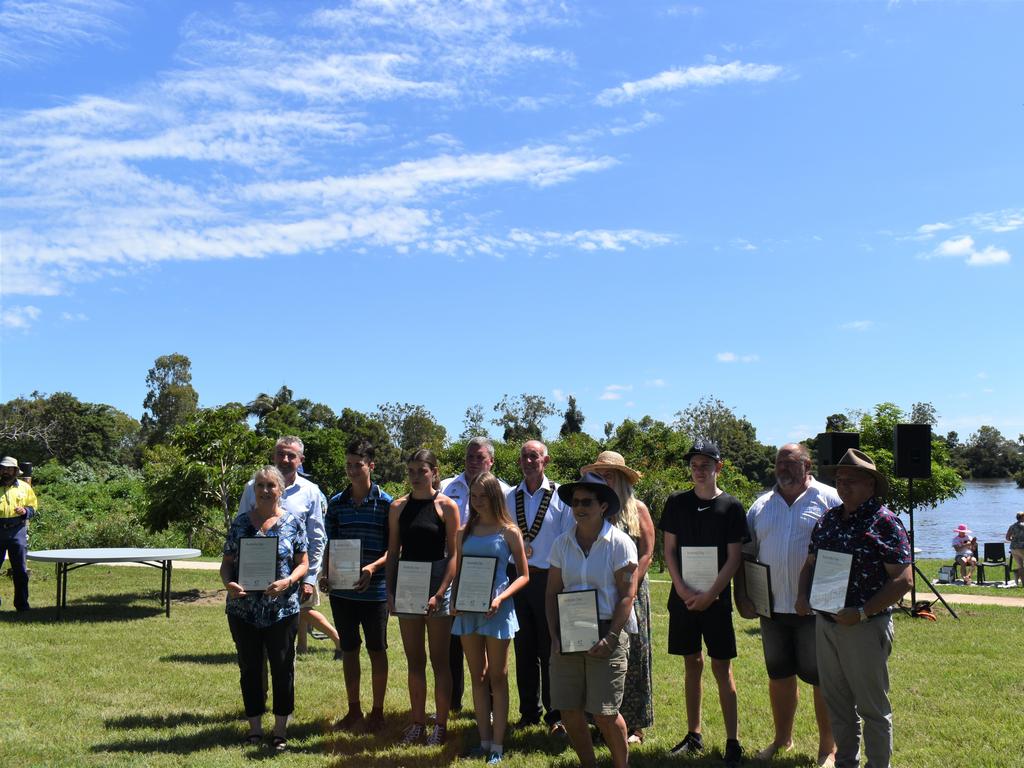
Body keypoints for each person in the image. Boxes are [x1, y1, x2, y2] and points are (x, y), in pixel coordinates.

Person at [796, 448, 912, 768]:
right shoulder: (830, 519)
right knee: (838, 706)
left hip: (863, 626)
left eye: (852, 481)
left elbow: (903, 581)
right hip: (826, 623)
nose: (843, 486)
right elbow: (810, 563)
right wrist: (802, 595)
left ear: (871, 485)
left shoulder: (885, 522)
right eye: (840, 480)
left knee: (873, 709)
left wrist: (862, 612)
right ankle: (846, 762)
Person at [735, 443, 839, 767]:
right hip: (772, 610)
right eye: (780, 463)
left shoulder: (829, 499)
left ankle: (828, 749)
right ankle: (782, 739)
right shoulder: (760, 506)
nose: (783, 469)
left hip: (816, 610)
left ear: (807, 465)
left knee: (822, 680)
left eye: (791, 463)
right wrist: (742, 595)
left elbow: (840, 554)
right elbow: (746, 555)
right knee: (779, 676)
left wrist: (827, 600)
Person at [659, 440, 746, 767]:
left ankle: (732, 741)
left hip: (716, 599)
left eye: (705, 465)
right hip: (682, 597)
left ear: (718, 467)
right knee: (691, 663)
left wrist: (711, 594)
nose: (699, 470)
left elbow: (734, 558)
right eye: (694, 465)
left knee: (722, 668)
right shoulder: (676, 503)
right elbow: (668, 550)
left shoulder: (731, 507)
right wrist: (680, 588)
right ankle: (693, 734)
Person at [546, 472, 638, 768]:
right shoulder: (561, 544)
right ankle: (589, 764)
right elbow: (551, 592)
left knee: (605, 713)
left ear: (603, 507)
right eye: (575, 502)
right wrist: (555, 636)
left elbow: (627, 596)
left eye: (587, 502)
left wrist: (611, 638)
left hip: (608, 629)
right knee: (569, 709)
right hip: (570, 628)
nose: (579, 508)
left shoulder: (620, 543)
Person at [221, 465, 309, 751]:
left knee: (283, 668)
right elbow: (227, 564)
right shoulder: (240, 523)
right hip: (243, 610)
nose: (265, 490)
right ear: (254, 490)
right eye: (260, 485)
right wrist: (228, 584)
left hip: (281, 610)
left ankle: (280, 730)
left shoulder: (293, 522)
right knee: (249, 667)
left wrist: (289, 581)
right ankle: (255, 729)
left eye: (271, 485)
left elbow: (303, 563)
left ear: (280, 490)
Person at [452, 472, 530, 763]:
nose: (477, 501)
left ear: (495, 497)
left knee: (498, 677)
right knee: (478, 677)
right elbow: (458, 572)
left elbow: (524, 575)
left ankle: (498, 745)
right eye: (473, 496)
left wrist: (500, 597)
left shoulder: (509, 531)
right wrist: (455, 600)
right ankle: (483, 742)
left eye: (483, 496)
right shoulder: (464, 531)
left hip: (497, 610)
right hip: (467, 612)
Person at [386, 449, 460, 746]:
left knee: (440, 661)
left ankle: (439, 726)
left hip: (438, 586)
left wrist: (440, 593)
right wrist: (390, 591)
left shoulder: (447, 506)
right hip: (408, 585)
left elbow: (454, 555)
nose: (416, 476)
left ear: (435, 472)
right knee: (414, 661)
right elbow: (393, 553)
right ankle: (417, 722)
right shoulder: (398, 507)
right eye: (412, 470)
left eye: (422, 470)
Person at [581, 450, 655, 744]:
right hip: (600, 590)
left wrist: (632, 582)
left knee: (632, 653)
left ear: (623, 478)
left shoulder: (637, 508)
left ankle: (634, 724)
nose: (605, 479)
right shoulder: (596, 508)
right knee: (600, 650)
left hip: (631, 591)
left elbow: (648, 551)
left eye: (610, 474)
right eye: (600, 475)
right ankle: (602, 718)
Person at [238, 437, 337, 652]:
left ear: (300, 460)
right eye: (280, 454)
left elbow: (317, 537)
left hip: (294, 574)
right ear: (273, 457)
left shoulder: (310, 491)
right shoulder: (251, 487)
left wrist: (309, 578)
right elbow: (241, 530)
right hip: (256, 576)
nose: (285, 459)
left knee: (283, 646)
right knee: (256, 645)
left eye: (291, 455)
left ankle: (297, 652)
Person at [321, 439, 393, 732]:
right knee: (349, 649)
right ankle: (354, 711)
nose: (352, 470)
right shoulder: (336, 503)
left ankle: (377, 712)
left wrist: (373, 567)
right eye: (348, 464)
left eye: (358, 465)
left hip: (374, 593)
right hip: (342, 591)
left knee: (377, 650)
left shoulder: (387, 504)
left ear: (371, 466)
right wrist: (326, 573)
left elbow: (394, 548)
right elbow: (330, 544)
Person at [505, 439, 573, 735]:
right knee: (523, 648)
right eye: (524, 457)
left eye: (534, 456)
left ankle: (555, 714)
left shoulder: (559, 497)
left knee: (550, 648)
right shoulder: (510, 497)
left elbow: (566, 540)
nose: (529, 461)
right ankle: (528, 712)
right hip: (517, 577)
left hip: (548, 579)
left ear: (546, 461)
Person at [440, 436, 512, 713]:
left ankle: (492, 708)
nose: (473, 462)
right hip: (456, 573)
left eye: (479, 457)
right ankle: (454, 703)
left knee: (493, 657)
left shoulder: (504, 491)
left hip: (491, 577)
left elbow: (508, 532)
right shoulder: (447, 486)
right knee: (453, 645)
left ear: (491, 461)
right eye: (470, 456)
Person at [0, 456, 38, 612]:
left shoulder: (24, 487)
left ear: (15, 471)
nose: (5, 471)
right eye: (3, 468)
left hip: (17, 529)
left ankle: (22, 605)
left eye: (9, 469)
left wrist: (25, 511)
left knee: (20, 571)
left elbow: (33, 508)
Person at [1005, 512, 1024, 587]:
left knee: (1020, 566)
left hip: (1013, 548)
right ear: (1022, 517)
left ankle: (1022, 583)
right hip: (1022, 547)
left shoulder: (1012, 526)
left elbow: (1007, 538)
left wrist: (1014, 539)